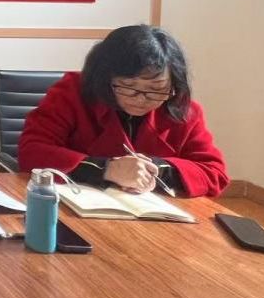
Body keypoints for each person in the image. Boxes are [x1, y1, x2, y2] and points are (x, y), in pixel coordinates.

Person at [18, 25, 229, 197]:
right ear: (104, 77)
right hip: (73, 204)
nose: (141, 99)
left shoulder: (182, 110)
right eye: (128, 86)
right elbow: (31, 151)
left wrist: (157, 169)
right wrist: (106, 169)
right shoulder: (73, 92)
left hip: (152, 213)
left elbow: (215, 173)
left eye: (156, 89)